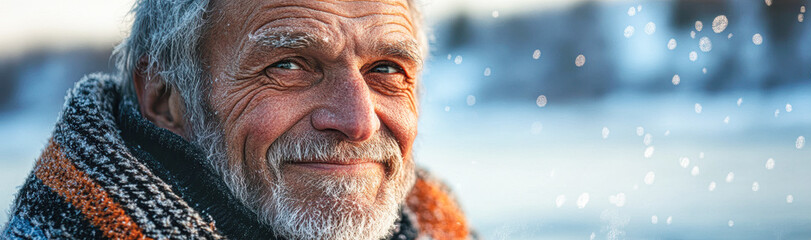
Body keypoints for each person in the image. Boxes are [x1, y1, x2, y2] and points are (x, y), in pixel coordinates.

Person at [1, 0, 474, 239]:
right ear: (165, 98)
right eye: (288, 65)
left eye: (387, 70)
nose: (358, 121)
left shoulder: (437, 226)